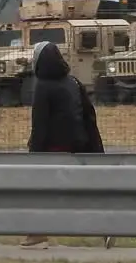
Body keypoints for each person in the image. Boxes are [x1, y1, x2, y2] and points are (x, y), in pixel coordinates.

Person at [21, 40, 111, 250]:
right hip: (80, 146)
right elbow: (89, 116)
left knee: (39, 191)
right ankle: (106, 226)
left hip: (53, 149)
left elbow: (40, 124)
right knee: (84, 193)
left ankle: (37, 232)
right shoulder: (74, 82)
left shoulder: (42, 86)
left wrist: (34, 151)